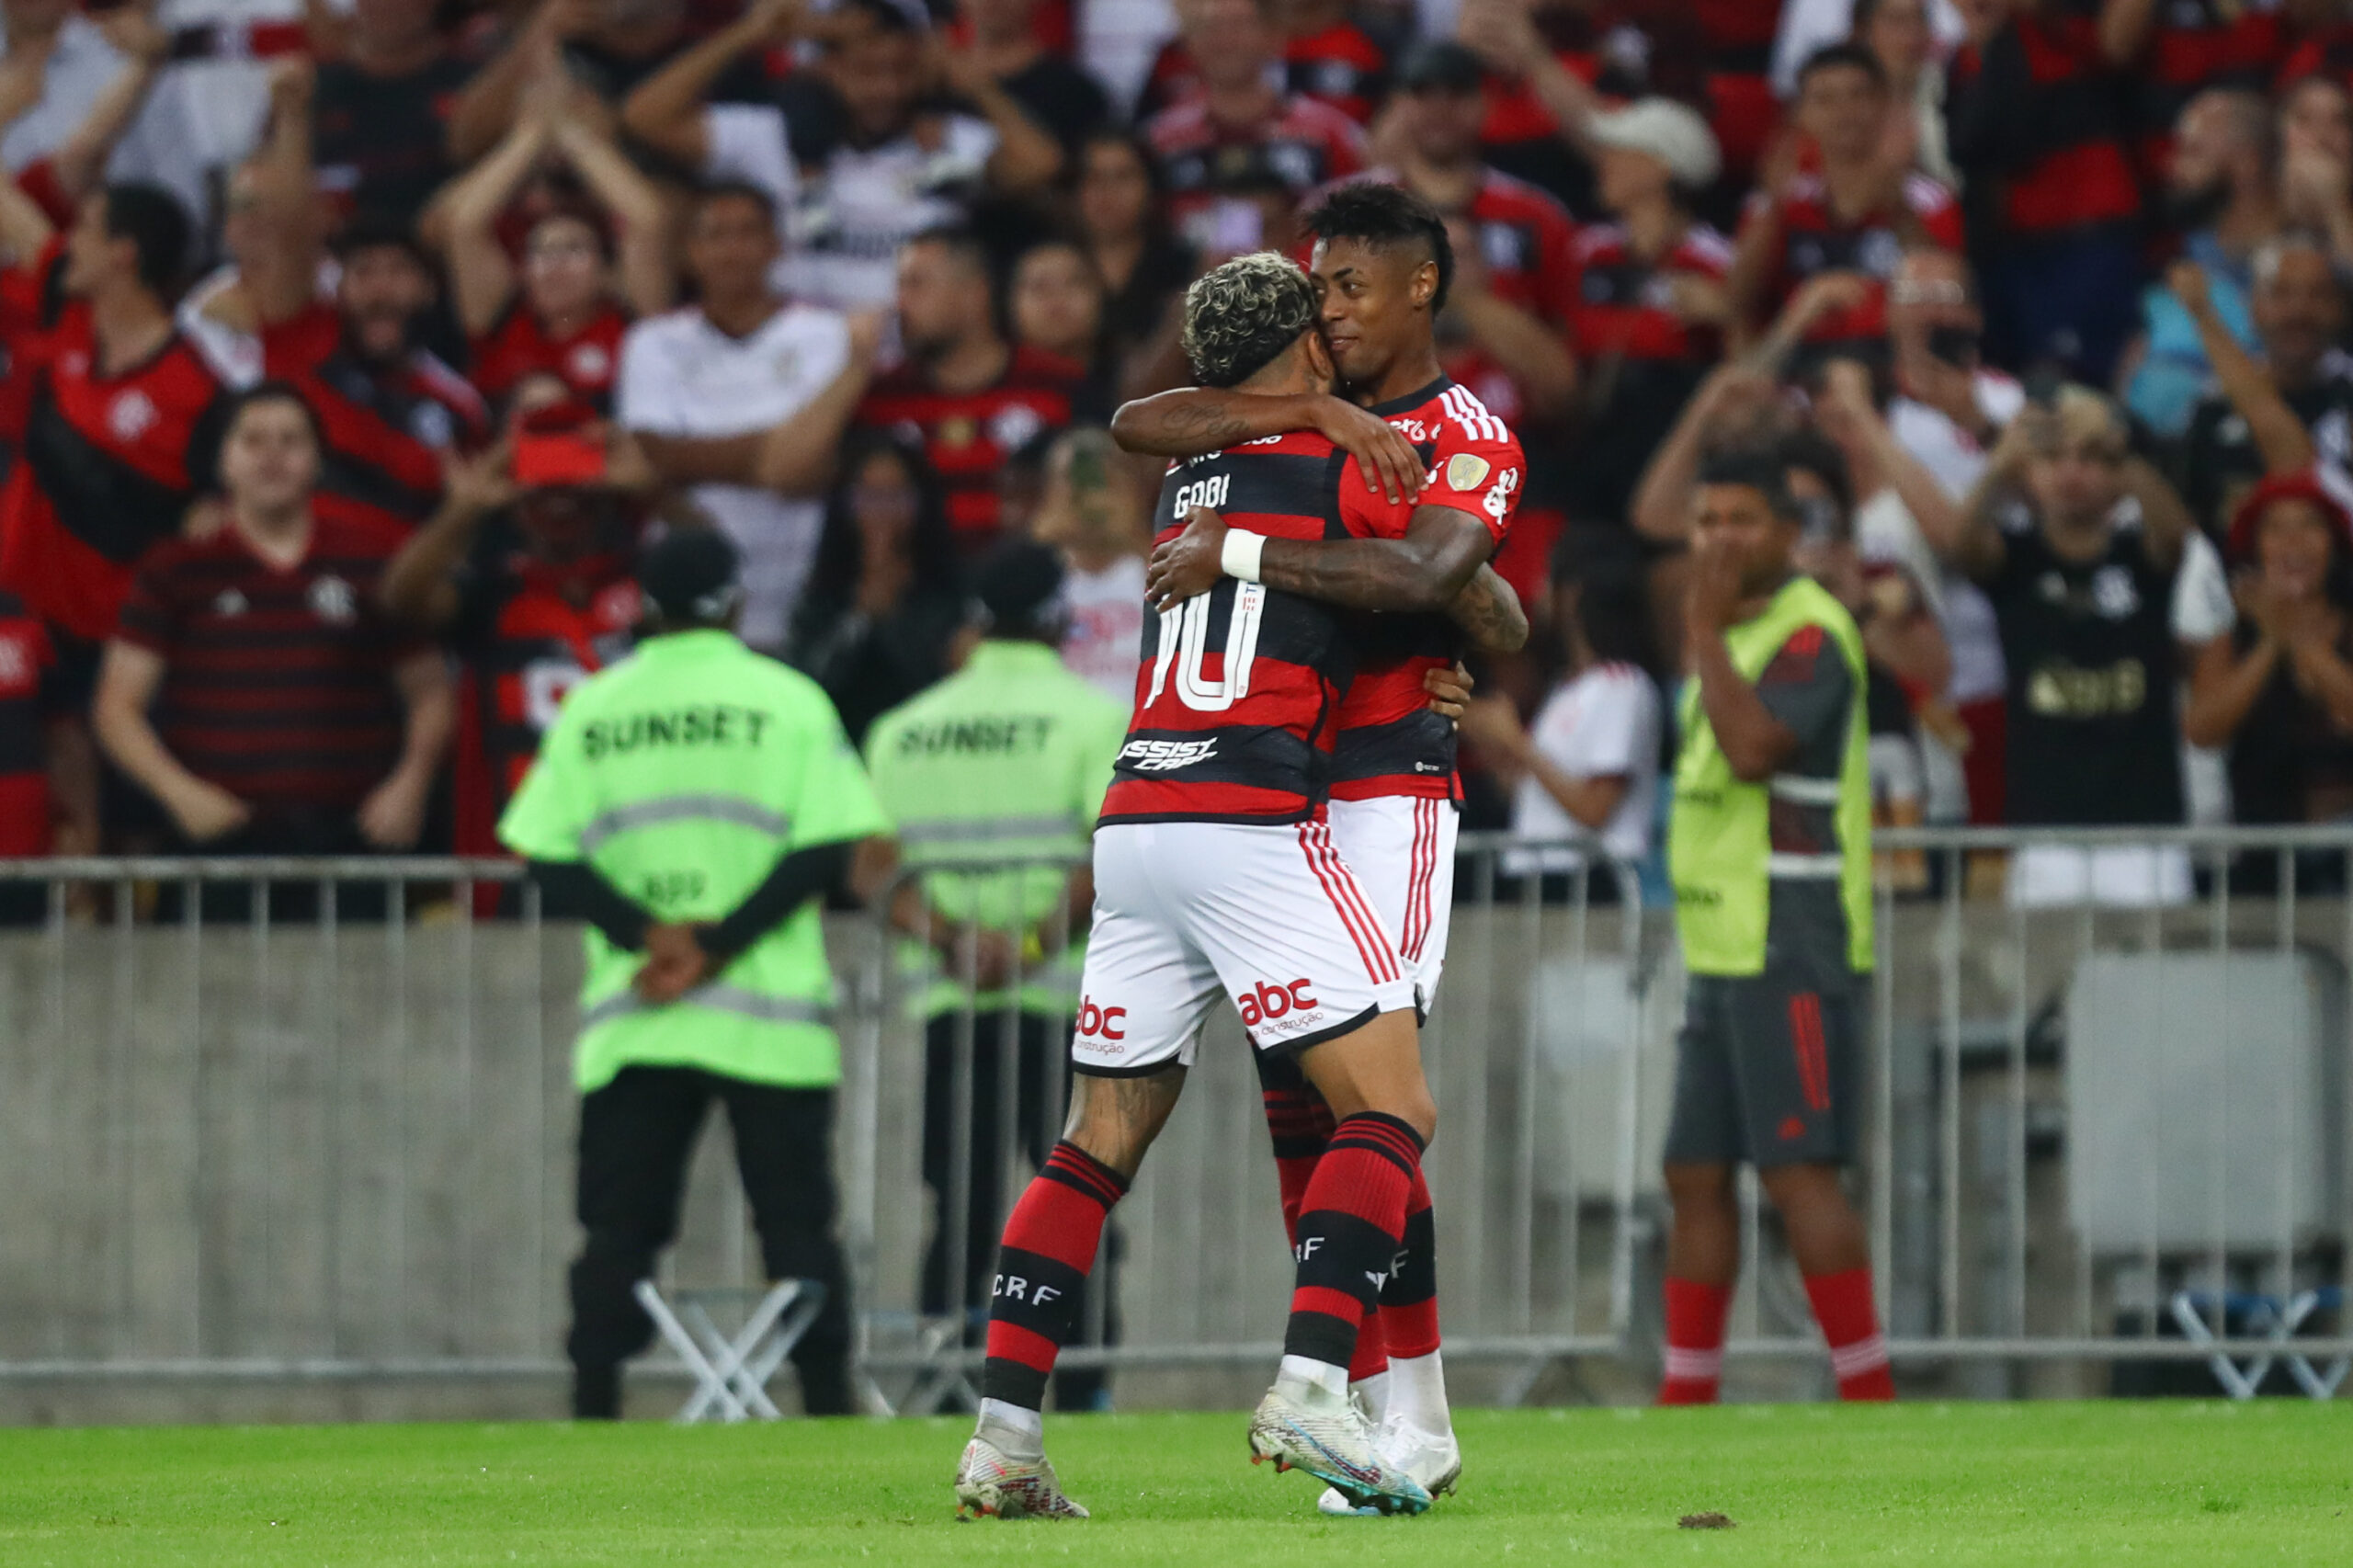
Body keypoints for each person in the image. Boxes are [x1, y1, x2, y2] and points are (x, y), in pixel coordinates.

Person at [955, 253, 1455, 1522]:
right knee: (1391, 1110)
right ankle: (1309, 1382)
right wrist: (1468, 636)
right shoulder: (1351, 460)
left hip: (1136, 821)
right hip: (1251, 814)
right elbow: (1441, 583)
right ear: (1302, 346)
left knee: (1095, 1140)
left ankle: (1005, 1439)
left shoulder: (1187, 470)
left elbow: (1142, 418)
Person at [1118, 185, 1535, 1514]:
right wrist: (1304, 414)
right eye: (1317, 285)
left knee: (1380, 1097)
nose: (1327, 309)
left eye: (1350, 283)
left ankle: (1407, 1411)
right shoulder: (1300, 409)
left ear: (1422, 287)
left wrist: (1241, 552)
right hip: (1277, 792)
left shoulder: (1464, 430)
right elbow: (1140, 423)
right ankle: (1375, 1403)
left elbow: (1433, 583)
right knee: (1300, 1104)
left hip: (1387, 784)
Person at [496, 528, 898, 1422]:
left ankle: (593, 1407)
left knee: (618, 1234)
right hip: (769, 1021)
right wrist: (718, 943)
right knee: (797, 1233)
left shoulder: (593, 708)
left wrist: (652, 938)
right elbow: (828, 844)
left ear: (643, 603)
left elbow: (543, 853)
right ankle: (829, 1407)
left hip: (640, 1014)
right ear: (732, 602)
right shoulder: (787, 698)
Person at [862, 539, 1128, 1408]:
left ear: (977, 622)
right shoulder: (1091, 718)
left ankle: (947, 1388)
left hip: (954, 1003)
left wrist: (953, 941)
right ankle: (1079, 1387)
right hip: (1063, 1007)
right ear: (1060, 620)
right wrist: (1033, 943)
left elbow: (872, 867)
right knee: (1080, 1200)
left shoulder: (907, 727)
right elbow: (1110, 847)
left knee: (963, 1215)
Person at [1656, 448, 1892, 1409]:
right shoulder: (1742, 632)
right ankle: (1685, 1400)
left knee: (1798, 1173)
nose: (1718, 540)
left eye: (1741, 521)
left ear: (1790, 536)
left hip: (1789, 933)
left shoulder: (1813, 634)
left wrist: (1703, 632)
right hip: (1720, 938)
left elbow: (1752, 752)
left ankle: (1869, 1396)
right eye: (1706, 521)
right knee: (1693, 1169)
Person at [93, 383, 452, 899]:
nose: (272, 457)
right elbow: (116, 706)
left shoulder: (374, 561)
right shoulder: (176, 569)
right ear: (224, 463)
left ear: (318, 461)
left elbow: (431, 693)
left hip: (352, 844)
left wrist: (410, 785)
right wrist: (180, 795)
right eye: (253, 441)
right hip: (217, 847)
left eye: (291, 441)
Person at [1928, 385, 2198, 905]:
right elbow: (1961, 547)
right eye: (2053, 458)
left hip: (2146, 832)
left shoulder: (2140, 559)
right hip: (2043, 832)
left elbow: (2176, 540)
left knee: (2157, 982)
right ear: (2031, 473)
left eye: (2092, 460)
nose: (2072, 473)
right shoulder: (2016, 560)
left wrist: (2126, 456)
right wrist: (2001, 466)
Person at [186, 62, 487, 528]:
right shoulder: (306, 339)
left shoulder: (458, 404)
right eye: (364, 272)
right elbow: (288, 233)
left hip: (393, 581)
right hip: (289, 571)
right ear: (337, 287)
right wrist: (292, 117)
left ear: (429, 291)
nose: (380, 289)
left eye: (398, 272)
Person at [620, 0, 1061, 312]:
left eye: (900, 70)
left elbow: (1041, 166)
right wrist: (750, 32)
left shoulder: (947, 140)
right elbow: (644, 116)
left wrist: (974, 84)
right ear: (827, 68)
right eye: (866, 71)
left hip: (907, 364)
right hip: (791, 360)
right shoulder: (769, 136)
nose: (884, 89)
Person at [379, 399, 659, 875]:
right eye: (541, 493)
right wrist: (465, 508)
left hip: (635, 839)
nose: (560, 506)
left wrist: (654, 494)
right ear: (517, 507)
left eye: (577, 491)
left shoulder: (646, 587)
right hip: (520, 845)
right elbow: (399, 600)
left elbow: (717, 584)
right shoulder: (493, 593)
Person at [616, 181, 879, 653]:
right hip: (688, 596)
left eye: (747, 232)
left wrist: (695, 455)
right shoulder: (653, 342)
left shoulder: (826, 335)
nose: (733, 249)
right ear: (691, 251)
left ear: (776, 245)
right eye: (716, 234)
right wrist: (775, 454)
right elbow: (653, 458)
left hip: (802, 588)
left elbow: (811, 470)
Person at [431, 54, 674, 414]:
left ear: (607, 274)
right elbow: (466, 225)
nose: (555, 264)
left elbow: (647, 219)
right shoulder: (499, 316)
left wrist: (573, 134)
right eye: (541, 254)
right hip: (513, 466)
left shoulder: (631, 318)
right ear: (522, 271)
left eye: (574, 250)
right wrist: (529, 134)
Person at [1726, 43, 1963, 365]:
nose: (1844, 111)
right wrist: (1774, 207)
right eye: (1825, 99)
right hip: (1799, 358)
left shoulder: (1928, 201)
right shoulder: (1780, 200)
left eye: (1858, 95)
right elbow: (1738, 303)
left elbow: (1947, 301)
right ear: (1800, 114)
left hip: (1894, 359)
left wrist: (1896, 206)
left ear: (1883, 104)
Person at [854, 227, 1087, 552]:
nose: (900, 303)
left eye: (917, 285)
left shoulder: (1059, 383)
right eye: (900, 286)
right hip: (922, 593)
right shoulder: (881, 397)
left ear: (973, 294)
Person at [1563, 96, 1733, 530]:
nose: (1605, 162)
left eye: (1620, 151)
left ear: (1662, 167)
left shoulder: (1714, 262)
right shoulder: (1588, 251)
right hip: (1587, 445)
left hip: (1670, 446)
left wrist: (1726, 315)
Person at [1461, 540, 1663, 891]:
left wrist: (1516, 741)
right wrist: (1488, 740)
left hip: (1589, 882)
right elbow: (1535, 799)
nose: (1538, 591)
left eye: (1547, 578)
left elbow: (1594, 809)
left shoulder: (1622, 686)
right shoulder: (1566, 687)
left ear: (1572, 594)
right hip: (1540, 878)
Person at [2184, 472, 2353, 839]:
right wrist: (2269, 643)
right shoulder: (2231, 639)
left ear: (2333, 544)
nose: (2294, 541)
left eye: (2310, 526)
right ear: (2257, 548)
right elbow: (2202, 731)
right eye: (2276, 529)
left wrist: (2294, 637)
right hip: (2263, 849)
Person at [782, 431, 966, 744]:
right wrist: (861, 618)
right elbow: (808, 685)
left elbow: (942, 687)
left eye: (896, 497)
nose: (882, 513)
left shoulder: (951, 587)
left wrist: (892, 615)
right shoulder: (823, 590)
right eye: (870, 497)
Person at [1142, 0, 1366, 257]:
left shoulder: (1328, 132)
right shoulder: (1159, 140)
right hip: (1193, 288)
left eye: (1239, 26)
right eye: (1211, 27)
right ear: (1189, 43)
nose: (1225, 40)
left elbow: (1363, 219)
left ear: (1273, 38)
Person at [309, 0, 472, 226]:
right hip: (336, 247)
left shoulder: (473, 82)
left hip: (448, 240)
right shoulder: (311, 88)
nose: (387, 5)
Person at [1031, 426, 1151, 708]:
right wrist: (1036, 543)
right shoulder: (1031, 577)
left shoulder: (1157, 564)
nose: (1090, 498)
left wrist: (1132, 535)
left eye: (1104, 480)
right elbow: (967, 655)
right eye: (1073, 482)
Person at [1070, 128, 1196, 369]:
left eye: (1123, 177)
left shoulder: (1184, 267)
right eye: (1093, 177)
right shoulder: (1051, 264)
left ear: (1151, 188)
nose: (1107, 192)